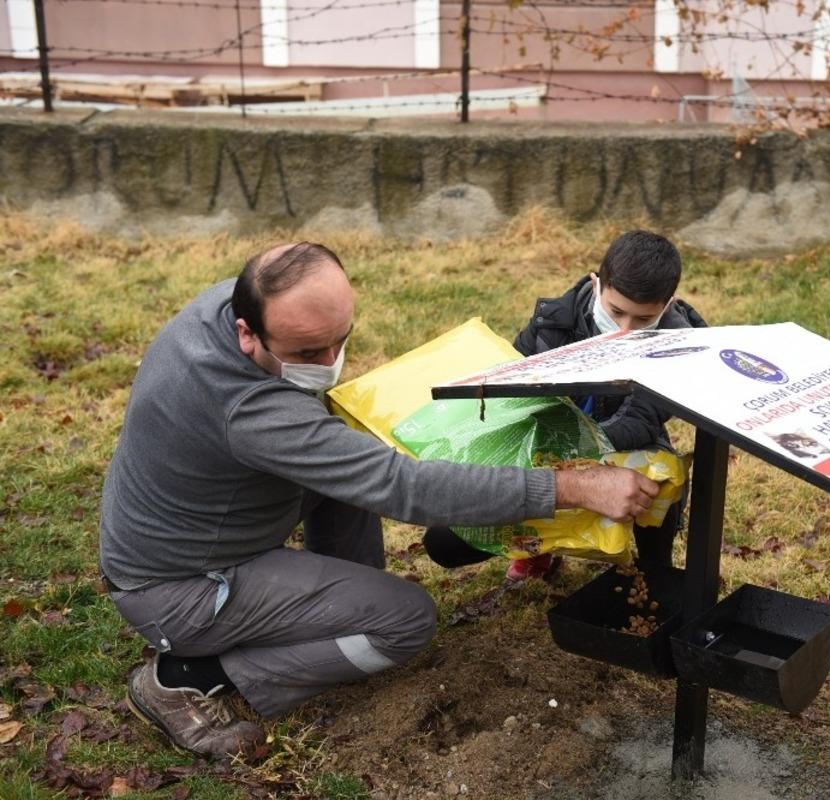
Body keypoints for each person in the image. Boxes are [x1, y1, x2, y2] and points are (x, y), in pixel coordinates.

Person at [99, 242, 659, 759]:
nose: (328, 363)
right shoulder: (249, 412)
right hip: (184, 586)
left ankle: (330, 615)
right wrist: (571, 486)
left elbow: (364, 466)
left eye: (339, 340)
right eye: (307, 351)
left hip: (188, 533)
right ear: (249, 333)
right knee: (406, 624)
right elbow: (403, 488)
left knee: (350, 459)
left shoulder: (229, 302)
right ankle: (192, 674)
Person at [422, 230, 705, 581]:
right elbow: (508, 394)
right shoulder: (552, 323)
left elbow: (641, 421)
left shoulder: (681, 347)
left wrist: (579, 466)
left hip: (625, 449)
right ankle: (537, 545)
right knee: (444, 543)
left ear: (669, 304)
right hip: (542, 447)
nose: (624, 329)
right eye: (615, 312)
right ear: (597, 283)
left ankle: (653, 573)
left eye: (642, 320)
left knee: (662, 482)